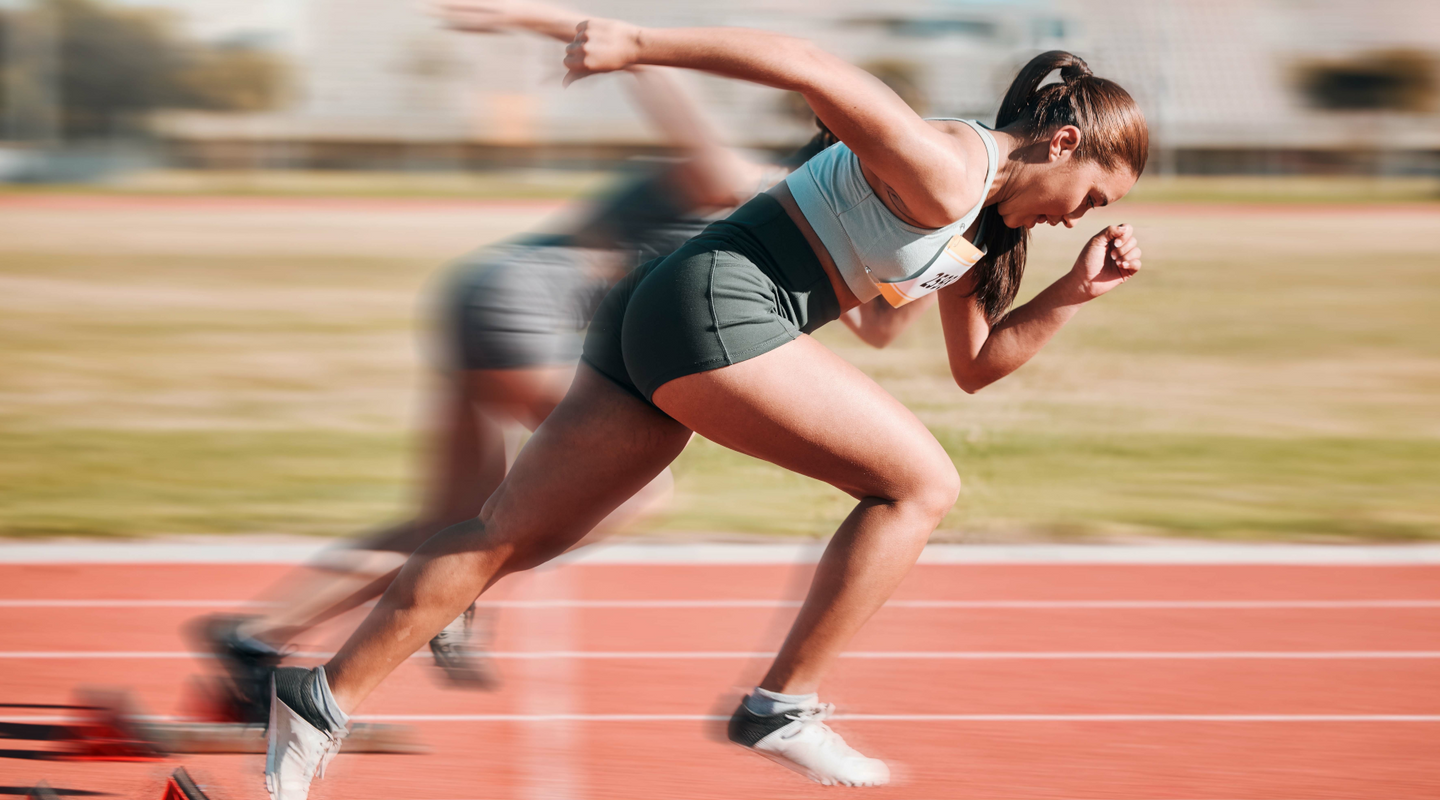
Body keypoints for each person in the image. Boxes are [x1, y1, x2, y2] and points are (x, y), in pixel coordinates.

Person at [261, 15, 1147, 798]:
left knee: (507, 537)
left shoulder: (978, 223)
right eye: (1094, 197)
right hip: (719, 300)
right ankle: (781, 706)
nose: (1080, 218)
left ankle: (320, 698)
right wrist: (637, 43)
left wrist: (1074, 292)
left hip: (663, 307)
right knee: (921, 485)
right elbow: (808, 64)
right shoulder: (949, 165)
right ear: (1064, 142)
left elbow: (974, 364)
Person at [196, 1, 929, 722]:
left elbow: (880, 328)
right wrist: (560, 23)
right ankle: (451, 597)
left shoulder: (819, 241)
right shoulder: (751, 184)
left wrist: (955, 245)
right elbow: (668, 95)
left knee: (450, 517)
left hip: (487, 295)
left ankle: (254, 639)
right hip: (524, 308)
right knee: (630, 491)